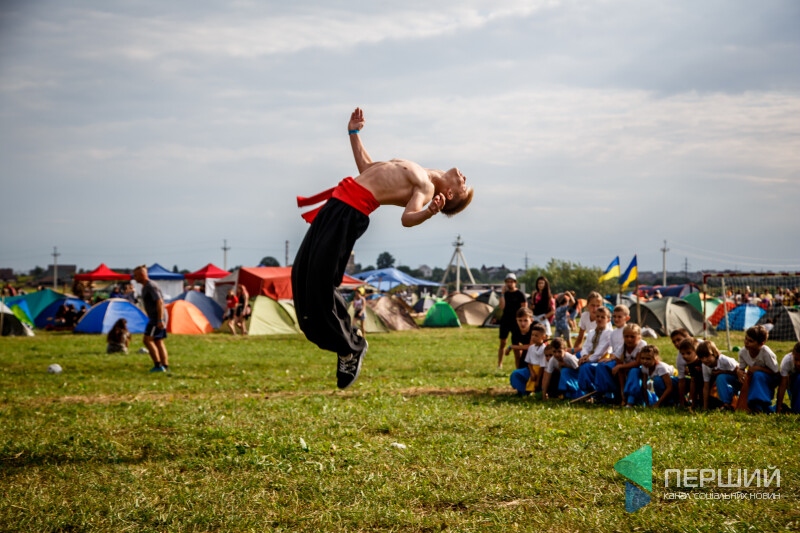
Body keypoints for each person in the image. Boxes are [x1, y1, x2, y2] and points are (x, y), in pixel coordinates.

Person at [291, 107, 473, 389]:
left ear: (448, 195)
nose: (464, 178)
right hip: (337, 204)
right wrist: (354, 132)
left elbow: (407, 218)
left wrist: (429, 212)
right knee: (301, 273)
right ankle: (331, 336)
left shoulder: (426, 187)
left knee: (321, 282)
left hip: (348, 213)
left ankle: (350, 347)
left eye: (464, 186)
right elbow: (367, 169)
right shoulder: (420, 170)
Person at [133, 265, 169, 373]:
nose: (134, 278)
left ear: (142, 275)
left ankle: (158, 366)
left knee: (147, 340)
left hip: (156, 317)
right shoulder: (146, 286)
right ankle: (165, 366)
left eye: (136, 275)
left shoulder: (150, 286)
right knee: (158, 340)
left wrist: (160, 319)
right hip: (156, 316)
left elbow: (159, 301)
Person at [592, 305, 631, 403]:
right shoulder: (613, 333)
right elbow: (614, 350)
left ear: (626, 318)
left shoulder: (628, 331)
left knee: (602, 366)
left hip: (625, 360)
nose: (616, 319)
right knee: (601, 365)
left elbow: (624, 349)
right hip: (615, 358)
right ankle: (605, 392)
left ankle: (615, 393)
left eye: (619, 317)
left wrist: (611, 359)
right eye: (614, 316)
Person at [737, 325, 779, 413]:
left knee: (757, 375)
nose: (746, 342)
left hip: (769, 380)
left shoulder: (766, 353)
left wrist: (758, 369)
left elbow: (776, 373)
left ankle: (757, 406)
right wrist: (739, 372)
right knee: (749, 376)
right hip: (754, 378)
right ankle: (746, 404)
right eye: (746, 339)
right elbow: (741, 368)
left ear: (761, 343)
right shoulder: (743, 352)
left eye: (750, 341)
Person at [576, 306, 613, 397]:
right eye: (598, 316)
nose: (599, 319)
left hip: (602, 359)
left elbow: (601, 351)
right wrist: (584, 356)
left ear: (608, 320)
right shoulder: (592, 332)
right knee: (581, 364)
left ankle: (597, 393)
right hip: (590, 358)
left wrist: (588, 359)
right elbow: (586, 346)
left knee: (585, 366)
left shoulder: (609, 333)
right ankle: (587, 392)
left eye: (602, 317)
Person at [497, 273, 527, 370]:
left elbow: (524, 309)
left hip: (516, 323)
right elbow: (502, 307)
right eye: (507, 282)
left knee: (516, 345)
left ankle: (518, 367)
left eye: (511, 282)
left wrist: (522, 322)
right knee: (502, 343)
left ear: (515, 282)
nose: (509, 284)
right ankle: (499, 364)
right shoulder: (504, 294)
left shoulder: (520, 294)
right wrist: (502, 293)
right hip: (505, 321)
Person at [697, 341, 739, 411]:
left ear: (715, 353)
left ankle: (728, 403)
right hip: (724, 384)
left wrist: (722, 372)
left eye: (707, 356)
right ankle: (726, 405)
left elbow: (739, 371)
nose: (705, 360)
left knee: (720, 377)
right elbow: (706, 386)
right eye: (702, 357)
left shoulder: (724, 360)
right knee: (719, 379)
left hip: (737, 380)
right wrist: (705, 407)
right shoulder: (705, 365)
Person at [509, 323, 547, 396]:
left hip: (541, 372)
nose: (533, 337)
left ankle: (539, 391)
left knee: (539, 385)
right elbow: (528, 362)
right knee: (516, 374)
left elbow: (542, 366)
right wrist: (532, 372)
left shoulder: (544, 349)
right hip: (531, 370)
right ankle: (524, 391)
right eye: (532, 335)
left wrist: (537, 380)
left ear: (543, 337)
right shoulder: (531, 348)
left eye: (536, 336)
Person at [612, 323, 647, 401]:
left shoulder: (642, 345)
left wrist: (620, 366)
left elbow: (637, 363)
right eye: (626, 336)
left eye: (632, 337)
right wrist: (622, 388)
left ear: (639, 337)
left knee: (633, 371)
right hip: (626, 371)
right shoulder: (621, 349)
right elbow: (620, 371)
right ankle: (621, 395)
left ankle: (631, 399)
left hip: (642, 371)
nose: (629, 339)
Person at [676, 337, 704, 408]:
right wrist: (693, 403)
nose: (685, 356)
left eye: (688, 353)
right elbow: (693, 381)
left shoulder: (704, 362)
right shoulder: (691, 363)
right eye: (682, 354)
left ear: (696, 352)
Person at [776, 342, 800, 414]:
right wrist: (778, 407)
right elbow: (783, 385)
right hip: (792, 385)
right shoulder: (787, 361)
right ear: (792, 354)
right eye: (796, 359)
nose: (798, 363)